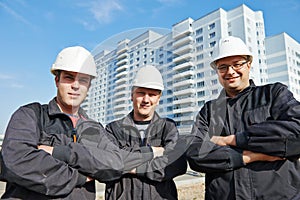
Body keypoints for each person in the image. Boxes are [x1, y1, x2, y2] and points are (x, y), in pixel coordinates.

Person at [0, 46, 162, 200]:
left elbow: (115, 163)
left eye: (83, 80)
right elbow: (17, 161)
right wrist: (80, 176)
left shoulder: (94, 129)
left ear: (89, 86)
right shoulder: (31, 115)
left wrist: (60, 153)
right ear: (57, 80)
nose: (76, 86)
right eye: (69, 78)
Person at [185, 36, 300, 200]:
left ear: (249, 64)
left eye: (237, 64)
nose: (230, 71)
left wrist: (234, 140)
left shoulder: (274, 95)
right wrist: (252, 156)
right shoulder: (209, 111)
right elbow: (195, 154)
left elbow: (296, 134)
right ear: (217, 71)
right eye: (223, 67)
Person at [104, 65, 187, 200]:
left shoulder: (168, 127)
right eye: (141, 93)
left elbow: (177, 164)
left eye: (152, 94)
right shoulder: (113, 129)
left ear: (159, 98)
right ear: (132, 95)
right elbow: (108, 163)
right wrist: (153, 152)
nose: (146, 100)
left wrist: (132, 166)